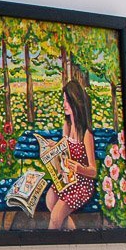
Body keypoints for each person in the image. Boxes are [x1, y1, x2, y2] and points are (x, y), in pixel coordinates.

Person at [45, 79, 97, 230]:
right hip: (68, 179)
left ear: (76, 102)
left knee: (55, 217)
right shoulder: (67, 125)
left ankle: (51, 239)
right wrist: (55, 147)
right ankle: (74, 232)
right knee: (50, 200)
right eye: (64, 100)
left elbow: (93, 171)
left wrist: (79, 168)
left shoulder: (86, 134)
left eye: (67, 101)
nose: (64, 104)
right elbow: (64, 151)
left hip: (81, 183)